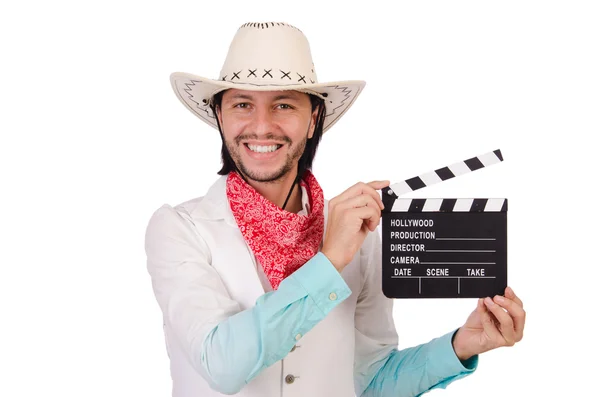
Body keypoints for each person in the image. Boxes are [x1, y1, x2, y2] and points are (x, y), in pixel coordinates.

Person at [144, 21, 526, 397]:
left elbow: (371, 381)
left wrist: (462, 345)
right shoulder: (179, 229)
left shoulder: (359, 235)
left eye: (283, 104)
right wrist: (328, 262)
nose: (262, 126)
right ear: (220, 117)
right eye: (242, 104)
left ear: (312, 120)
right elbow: (222, 366)